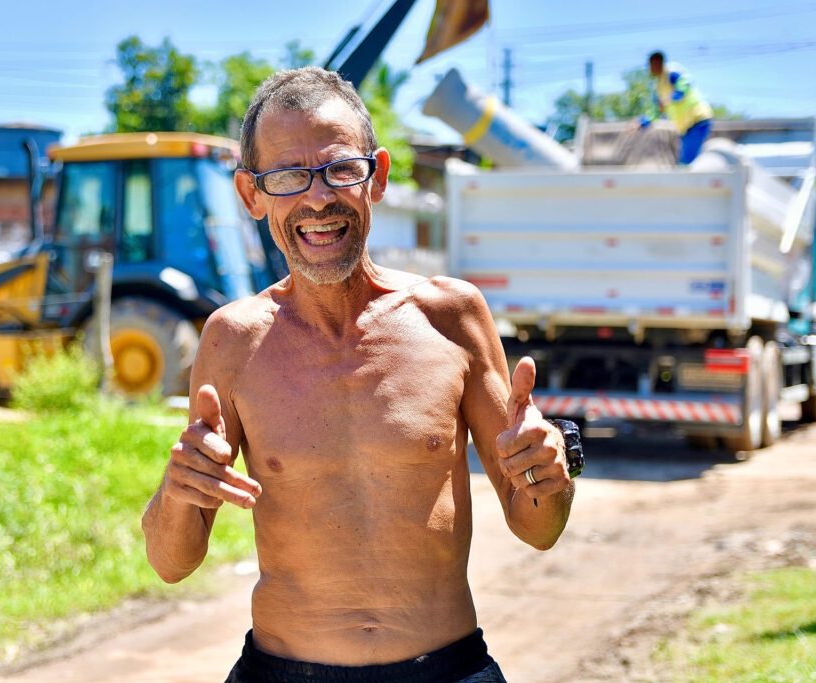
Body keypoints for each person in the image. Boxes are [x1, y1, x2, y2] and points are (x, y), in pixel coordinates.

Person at [141, 66, 581, 683]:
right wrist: (178, 490)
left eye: (340, 169)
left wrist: (549, 474)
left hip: (447, 671)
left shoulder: (451, 317)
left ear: (376, 177)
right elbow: (172, 563)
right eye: (287, 177)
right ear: (251, 195)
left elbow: (538, 528)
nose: (318, 198)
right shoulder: (233, 340)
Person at [637, 51, 714, 164]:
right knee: (686, 160)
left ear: (658, 62)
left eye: (651, 65)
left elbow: (683, 86)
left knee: (687, 161)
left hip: (697, 119)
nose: (650, 69)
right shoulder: (658, 87)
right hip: (685, 126)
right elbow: (657, 111)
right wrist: (642, 122)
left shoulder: (671, 73)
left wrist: (671, 99)